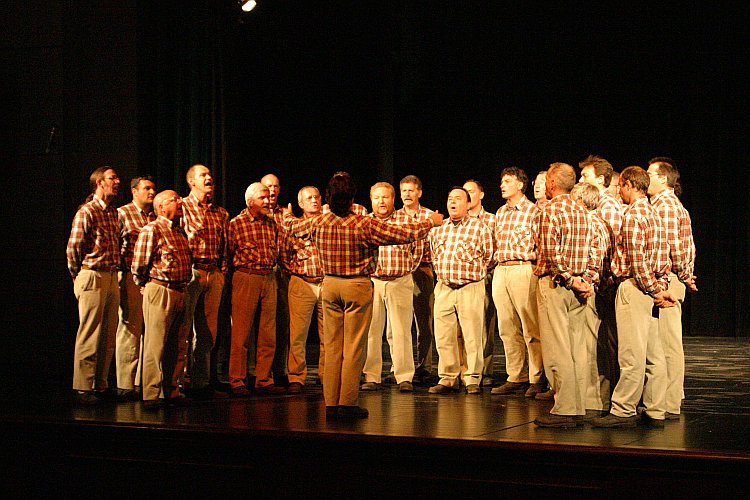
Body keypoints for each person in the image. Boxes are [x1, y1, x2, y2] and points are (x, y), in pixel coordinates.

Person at [282, 172, 442, 419]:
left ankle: (331, 405)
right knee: (354, 347)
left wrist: (287, 215)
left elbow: (293, 226)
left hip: (330, 285)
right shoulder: (362, 224)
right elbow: (403, 233)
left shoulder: (319, 222)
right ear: (352, 198)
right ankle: (346, 403)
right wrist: (430, 222)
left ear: (328, 198)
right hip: (356, 286)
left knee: (333, 347)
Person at [592, 166, 676, 428]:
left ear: (628, 184)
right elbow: (663, 258)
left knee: (631, 354)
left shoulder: (633, 215)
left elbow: (638, 262)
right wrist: (660, 289)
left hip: (634, 287)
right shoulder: (653, 213)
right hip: (649, 289)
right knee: (653, 354)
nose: (618, 192)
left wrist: (652, 290)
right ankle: (655, 409)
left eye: (620, 187)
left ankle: (623, 409)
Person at [533, 163, 601, 428]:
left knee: (557, 347)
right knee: (577, 348)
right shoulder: (582, 210)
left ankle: (565, 408)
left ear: (551, 183)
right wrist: (587, 280)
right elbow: (595, 249)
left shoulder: (549, 211)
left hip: (557, 286)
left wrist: (572, 280)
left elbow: (551, 254)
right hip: (579, 288)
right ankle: (580, 403)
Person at [428, 187, 494, 395]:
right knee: (444, 335)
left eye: (458, 199)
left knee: (472, 335)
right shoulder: (438, 228)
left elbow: (489, 256)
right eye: (450, 199)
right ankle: (448, 377)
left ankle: (472, 377)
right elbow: (433, 254)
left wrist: (473, 274)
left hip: (470, 287)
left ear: (467, 204)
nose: (453, 202)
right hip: (444, 287)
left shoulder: (479, 227)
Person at [131, 190, 193, 410]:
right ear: (160, 207)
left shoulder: (180, 232)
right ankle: (150, 393)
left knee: (177, 345)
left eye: (179, 199)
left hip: (181, 290)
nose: (179, 202)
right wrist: (145, 285)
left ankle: (171, 390)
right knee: (155, 344)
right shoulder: (152, 230)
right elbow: (139, 264)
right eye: (173, 200)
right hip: (161, 289)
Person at [361, 182, 424, 393]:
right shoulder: (366, 222)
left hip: (400, 280)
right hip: (373, 282)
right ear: (371, 200)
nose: (381, 201)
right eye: (377, 197)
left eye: (386, 197)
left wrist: (406, 270)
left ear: (393, 199)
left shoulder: (406, 220)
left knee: (402, 331)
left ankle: (404, 376)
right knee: (372, 331)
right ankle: (371, 375)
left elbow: (418, 249)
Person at [647, 157, 697, 420]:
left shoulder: (665, 206)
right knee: (661, 342)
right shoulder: (658, 204)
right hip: (664, 278)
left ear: (663, 179)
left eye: (650, 174)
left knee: (668, 343)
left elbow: (673, 248)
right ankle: (666, 398)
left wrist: (683, 275)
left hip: (666, 278)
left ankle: (670, 401)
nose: (646, 178)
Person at [67, 166, 121, 404]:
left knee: (109, 333)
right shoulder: (87, 211)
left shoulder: (113, 213)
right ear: (99, 182)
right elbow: (73, 247)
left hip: (111, 275)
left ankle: (100, 384)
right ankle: (83, 387)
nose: (117, 181)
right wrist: (79, 275)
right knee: (89, 332)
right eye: (112, 178)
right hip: (92, 273)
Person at [489, 167, 545, 398]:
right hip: (502, 269)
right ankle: (516, 376)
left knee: (530, 326)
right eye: (502, 181)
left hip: (523, 268)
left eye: (508, 181)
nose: (502, 185)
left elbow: (540, 244)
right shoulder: (500, 212)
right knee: (507, 327)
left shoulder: (533, 211)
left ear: (520, 185)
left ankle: (537, 377)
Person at [228, 183, 285, 396]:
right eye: (263, 197)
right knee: (241, 334)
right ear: (250, 201)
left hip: (268, 277)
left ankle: (263, 379)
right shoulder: (236, 224)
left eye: (269, 197)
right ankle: (237, 380)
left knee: (267, 334)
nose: (268, 201)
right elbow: (228, 253)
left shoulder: (272, 224)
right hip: (246, 277)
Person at [181, 164, 229, 400]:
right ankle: (178, 383)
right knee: (183, 330)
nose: (209, 177)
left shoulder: (220, 213)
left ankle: (201, 383)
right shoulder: (181, 207)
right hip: (192, 271)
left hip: (213, 272)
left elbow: (225, 245)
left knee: (207, 332)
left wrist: (221, 271)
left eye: (210, 174)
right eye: (203, 175)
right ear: (191, 181)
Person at [570, 182, 613, 415]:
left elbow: (595, 256)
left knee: (588, 346)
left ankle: (593, 400)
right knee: (586, 345)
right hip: (592, 287)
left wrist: (585, 282)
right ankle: (588, 398)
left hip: (590, 290)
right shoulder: (595, 221)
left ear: (580, 201)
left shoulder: (591, 222)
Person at [115, 175, 156, 400]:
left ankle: (142, 381)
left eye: (153, 189)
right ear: (134, 191)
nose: (151, 192)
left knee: (149, 330)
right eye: (147, 188)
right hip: (130, 275)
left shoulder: (153, 216)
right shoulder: (123, 214)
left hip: (151, 279)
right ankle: (125, 383)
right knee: (130, 328)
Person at [282, 186, 326, 393]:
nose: (314, 201)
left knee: (329, 335)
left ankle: (326, 375)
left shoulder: (328, 222)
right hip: (302, 281)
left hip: (326, 282)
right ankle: (296, 377)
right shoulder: (293, 224)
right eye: (309, 198)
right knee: (298, 335)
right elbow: (283, 252)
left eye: (317, 197)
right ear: (300, 203)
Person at [398, 175, 437, 384]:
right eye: (403, 190)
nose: (407, 194)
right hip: (401, 272)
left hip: (423, 271)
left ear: (419, 193)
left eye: (411, 190)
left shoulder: (430, 216)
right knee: (399, 324)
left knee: (424, 324)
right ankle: (398, 366)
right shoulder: (395, 217)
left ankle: (424, 367)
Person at [462, 179, 498, 387]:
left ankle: (486, 369)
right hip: (464, 277)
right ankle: (465, 369)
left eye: (471, 192)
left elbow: (492, 249)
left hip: (485, 275)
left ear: (481, 195)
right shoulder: (456, 220)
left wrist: (483, 269)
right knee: (464, 326)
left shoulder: (491, 220)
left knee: (485, 323)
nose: (468, 196)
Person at [261, 173, 291, 387]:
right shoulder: (253, 215)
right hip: (263, 270)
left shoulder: (286, 215)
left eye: (275, 186)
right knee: (262, 325)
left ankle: (281, 370)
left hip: (283, 271)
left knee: (283, 323)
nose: (271, 191)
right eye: (267, 187)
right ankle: (258, 372)